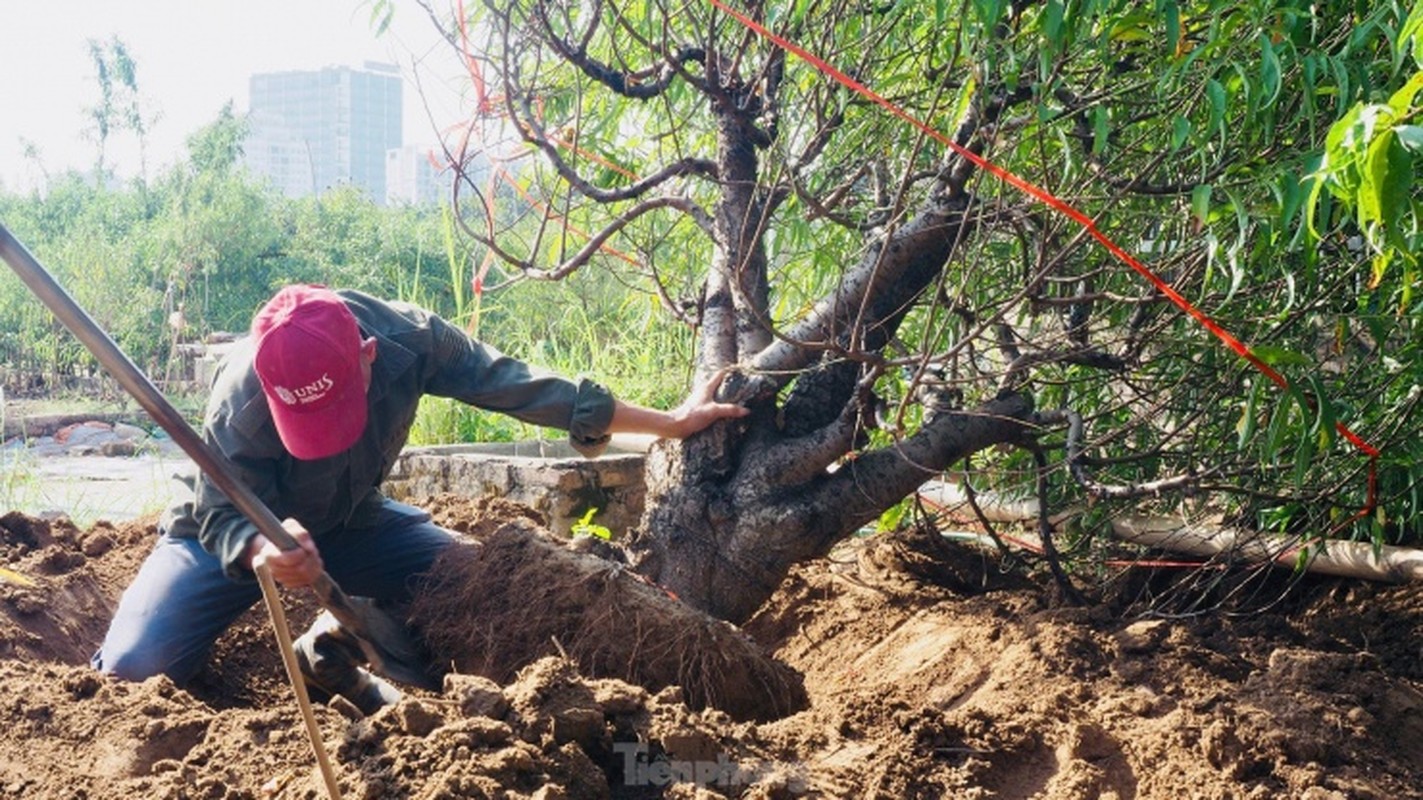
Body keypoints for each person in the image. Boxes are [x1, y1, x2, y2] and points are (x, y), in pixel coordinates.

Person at [92, 284, 747, 712]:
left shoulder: (413, 340)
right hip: (226, 534)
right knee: (131, 671)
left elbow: (522, 388)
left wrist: (669, 421)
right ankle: (340, 636)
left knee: (478, 595)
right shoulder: (242, 392)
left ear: (370, 356)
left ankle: (337, 650)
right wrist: (263, 549)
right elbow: (217, 508)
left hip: (353, 523)